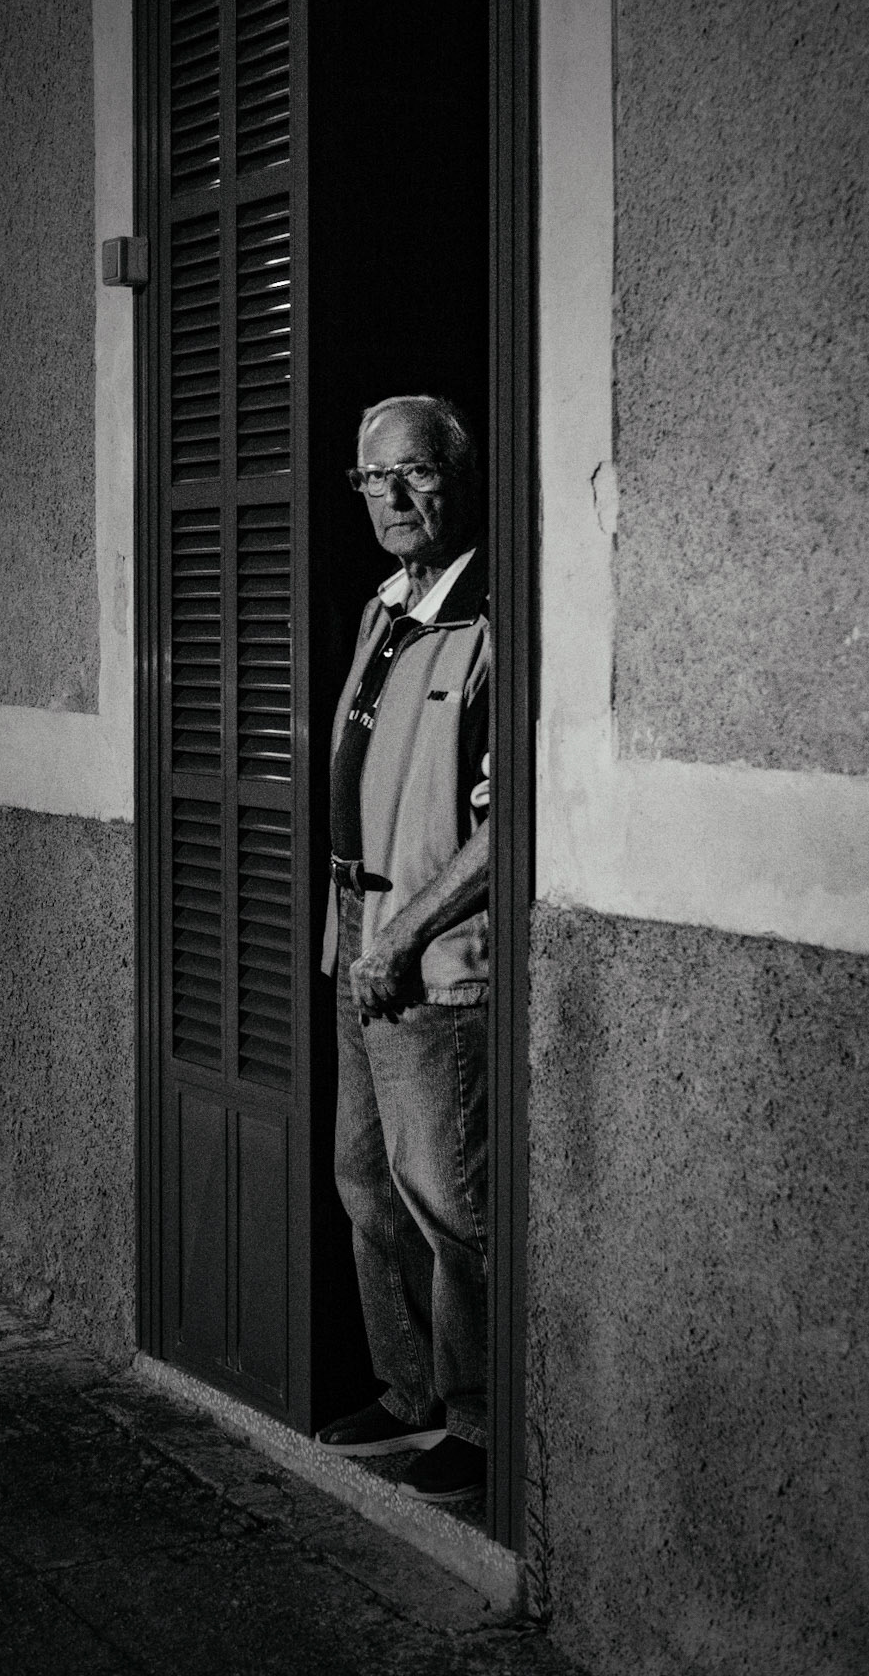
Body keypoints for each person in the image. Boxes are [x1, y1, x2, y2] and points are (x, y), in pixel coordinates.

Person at [313, 393, 491, 1508]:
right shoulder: (389, 605)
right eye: (371, 479)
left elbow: (502, 823)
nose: (390, 497)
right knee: (364, 1180)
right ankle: (406, 1385)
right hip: (357, 938)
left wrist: (409, 929)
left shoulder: (487, 615)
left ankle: (475, 1419)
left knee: (447, 1200)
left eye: (412, 472)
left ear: (454, 474)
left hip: (427, 955)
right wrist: (353, 935)